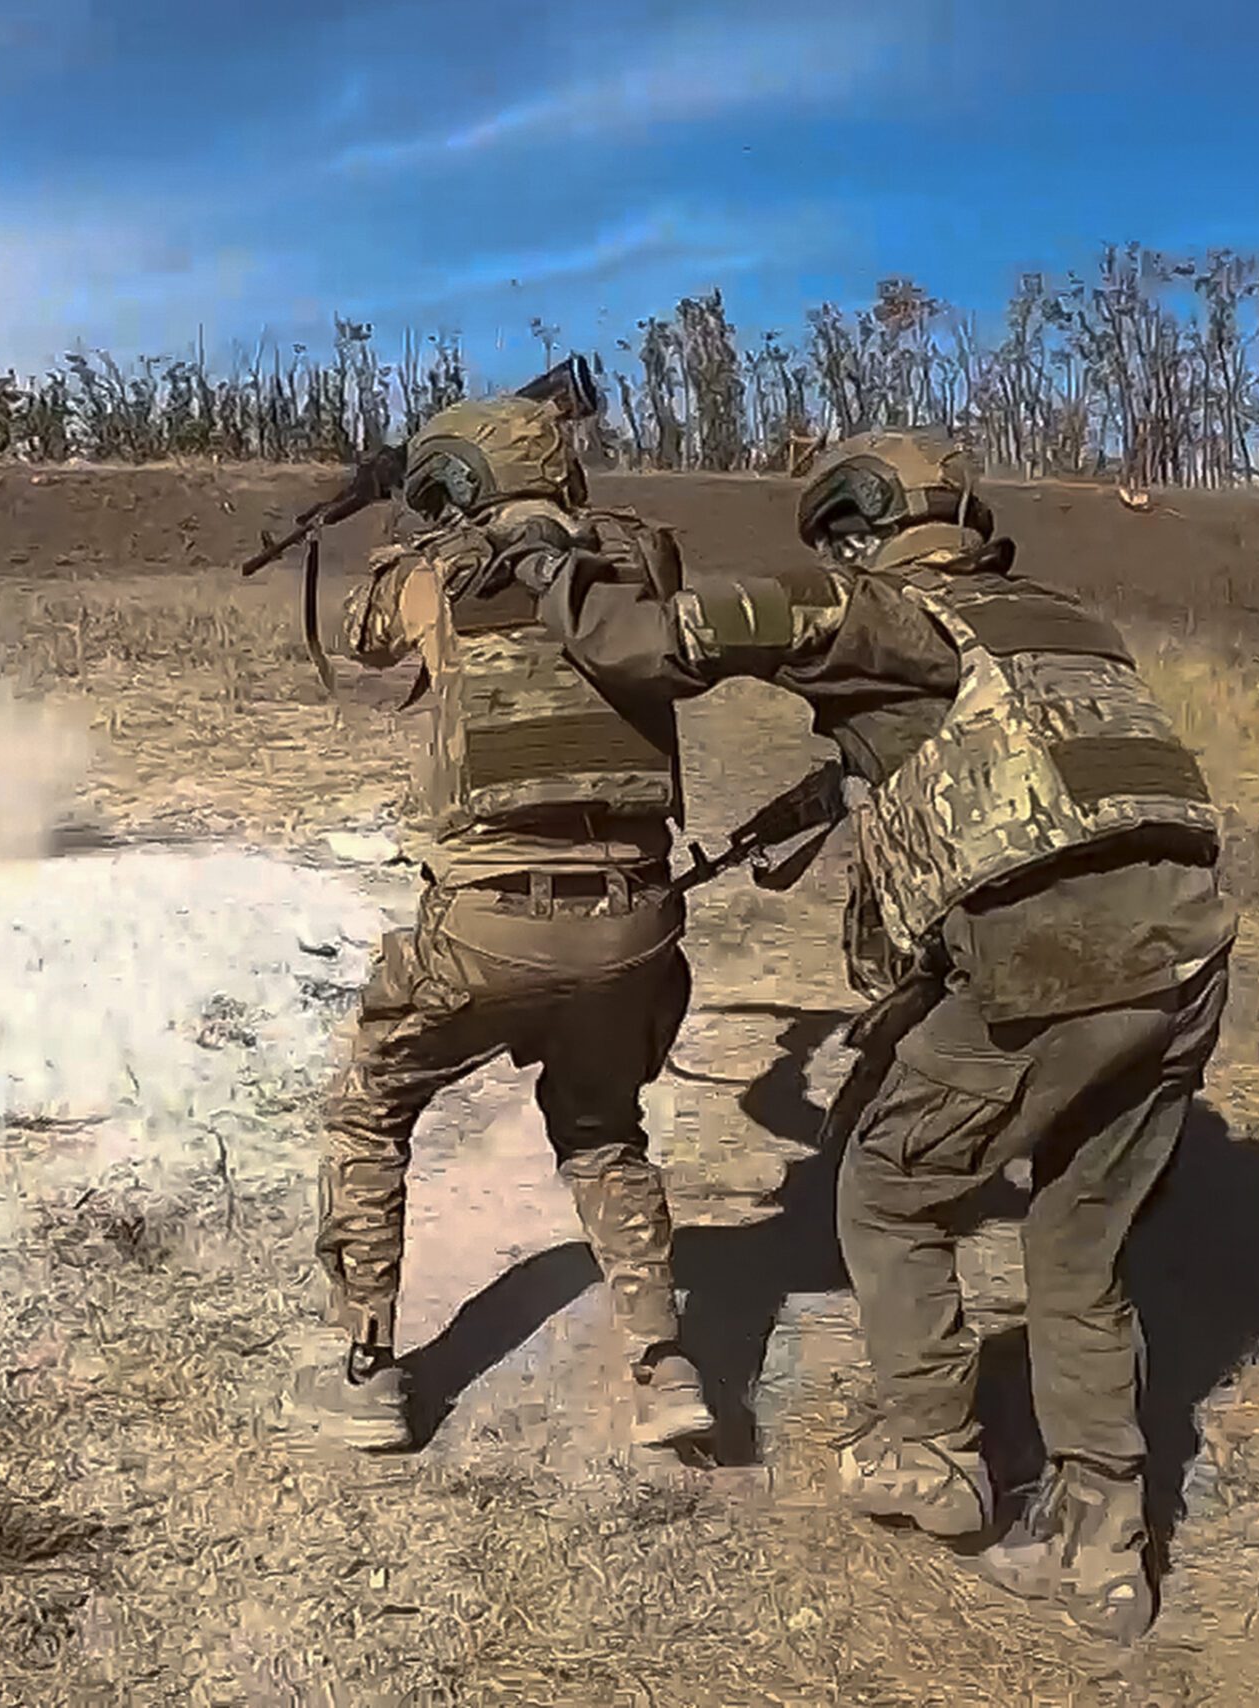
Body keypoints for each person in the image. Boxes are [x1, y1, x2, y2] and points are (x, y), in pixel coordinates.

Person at [500, 428, 1238, 1643]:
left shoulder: (866, 607)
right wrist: (823, 791)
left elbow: (632, 641)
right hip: (1188, 964)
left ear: (852, 531)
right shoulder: (1058, 621)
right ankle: (1103, 1546)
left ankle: (933, 1449)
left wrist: (543, 555)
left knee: (889, 1191)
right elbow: (982, 756)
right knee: (1077, 1252)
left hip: (1054, 966)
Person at [288, 393, 718, 1456]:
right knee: (603, 1127)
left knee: (369, 1106)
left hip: (487, 922)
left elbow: (360, 629)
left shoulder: (435, 575)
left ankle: (366, 1367)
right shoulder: (635, 563)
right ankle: (664, 1363)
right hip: (635, 920)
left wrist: (413, 509)